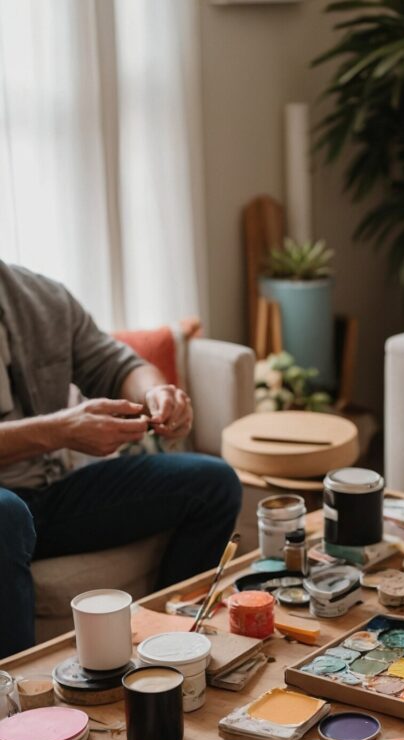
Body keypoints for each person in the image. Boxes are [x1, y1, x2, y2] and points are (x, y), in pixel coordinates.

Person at [0, 261, 242, 658]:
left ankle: (173, 644)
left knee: (212, 482)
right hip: (5, 509)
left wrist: (156, 393)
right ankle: (14, 706)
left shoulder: (43, 297)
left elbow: (119, 365)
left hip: (53, 492)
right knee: (6, 515)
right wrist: (60, 429)